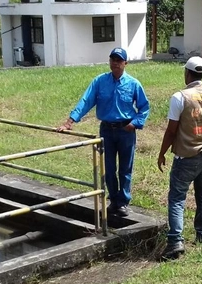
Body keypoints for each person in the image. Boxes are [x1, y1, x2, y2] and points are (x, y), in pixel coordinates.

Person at [56, 47, 150, 217]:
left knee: (125, 169)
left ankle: (123, 202)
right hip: (106, 130)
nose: (115, 63)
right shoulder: (100, 82)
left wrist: (135, 123)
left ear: (125, 63)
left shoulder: (134, 84)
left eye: (119, 60)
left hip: (126, 130)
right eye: (112, 59)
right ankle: (113, 200)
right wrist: (70, 121)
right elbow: (86, 101)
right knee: (108, 168)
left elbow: (144, 107)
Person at [157, 56, 202, 260]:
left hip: (186, 157)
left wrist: (162, 153)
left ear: (187, 73)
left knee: (177, 198)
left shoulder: (180, 97)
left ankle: (175, 242)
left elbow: (171, 131)